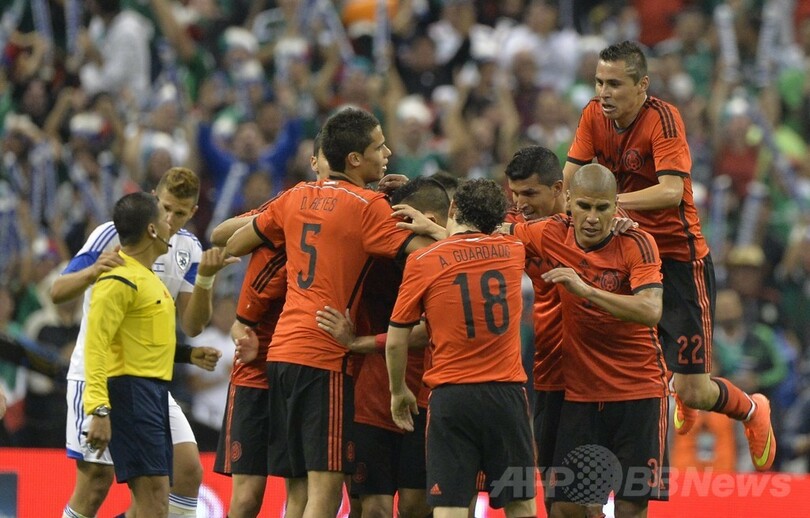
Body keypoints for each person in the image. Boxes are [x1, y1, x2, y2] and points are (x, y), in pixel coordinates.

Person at [561, 40, 776, 472]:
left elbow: (672, 190)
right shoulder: (591, 115)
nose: (604, 92)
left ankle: (752, 410)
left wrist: (610, 204)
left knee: (695, 389)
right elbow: (572, 178)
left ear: (642, 85)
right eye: (600, 82)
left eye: (615, 84)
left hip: (679, 260)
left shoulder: (663, 118)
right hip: (627, 254)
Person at [225, 107, 434, 518]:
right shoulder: (367, 205)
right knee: (325, 494)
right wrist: (429, 224)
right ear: (355, 159)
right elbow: (428, 257)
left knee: (299, 494)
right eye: (379, 146)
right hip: (325, 358)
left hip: (281, 356)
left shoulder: (294, 196)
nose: (388, 152)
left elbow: (233, 243)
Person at [54, 167, 233, 518]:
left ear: (193, 212)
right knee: (96, 485)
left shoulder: (188, 249)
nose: (171, 218)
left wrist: (206, 283)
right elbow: (58, 292)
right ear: (153, 200)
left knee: (186, 472)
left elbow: (191, 325)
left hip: (149, 380)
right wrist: (91, 272)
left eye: (180, 213)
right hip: (101, 376)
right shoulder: (114, 236)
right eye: (165, 208)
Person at [511, 164, 668, 517]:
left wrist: (586, 290)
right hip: (581, 394)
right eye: (584, 206)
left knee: (630, 506)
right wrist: (432, 224)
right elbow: (492, 233)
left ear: (617, 208)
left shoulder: (637, 242)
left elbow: (649, 309)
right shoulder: (551, 232)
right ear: (568, 201)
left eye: (602, 208)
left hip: (637, 390)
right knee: (568, 506)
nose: (593, 217)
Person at [387, 178, 536, 518]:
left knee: (450, 508)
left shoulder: (423, 260)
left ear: (452, 209)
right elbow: (480, 244)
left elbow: (397, 339)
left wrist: (399, 392)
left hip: (452, 397)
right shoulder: (512, 251)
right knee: (520, 505)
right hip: (507, 396)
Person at [315, 176, 455, 518]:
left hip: (423, 396)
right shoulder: (375, 254)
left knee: (414, 507)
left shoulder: (448, 261)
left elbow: (427, 329)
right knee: (372, 508)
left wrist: (358, 343)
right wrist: (373, 195)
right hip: (369, 398)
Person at [81, 192, 177, 518]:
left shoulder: (144, 277)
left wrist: (191, 356)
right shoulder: (118, 278)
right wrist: (98, 408)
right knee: (154, 504)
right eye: (165, 217)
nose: (171, 223)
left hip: (152, 393)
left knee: (150, 505)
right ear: (152, 230)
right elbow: (95, 344)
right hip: (132, 393)